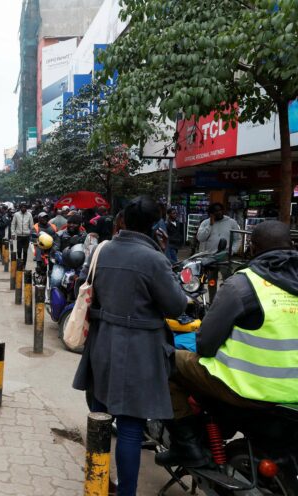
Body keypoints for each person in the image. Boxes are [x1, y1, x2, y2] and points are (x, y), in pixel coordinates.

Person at [157, 220, 298, 468]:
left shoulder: (243, 284)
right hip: (292, 399)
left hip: (249, 389)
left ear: (252, 248)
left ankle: (186, 445)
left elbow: (205, 344)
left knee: (166, 360)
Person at [72, 196, 188, 496]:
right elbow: (175, 306)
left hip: (101, 343)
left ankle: (95, 480)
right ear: (155, 224)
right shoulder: (153, 259)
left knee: (99, 415)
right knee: (130, 427)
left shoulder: (103, 249)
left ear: (122, 220)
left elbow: (85, 285)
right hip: (138, 349)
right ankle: (126, 493)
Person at [11, 203, 34, 269]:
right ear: (20, 208)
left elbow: (31, 225)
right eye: (22, 207)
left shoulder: (29, 215)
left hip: (26, 236)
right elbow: (13, 224)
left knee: (25, 251)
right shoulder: (16, 214)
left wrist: (31, 233)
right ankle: (19, 264)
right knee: (19, 251)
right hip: (19, 235)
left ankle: (24, 265)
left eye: (25, 207)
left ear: (26, 208)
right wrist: (13, 233)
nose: (23, 208)